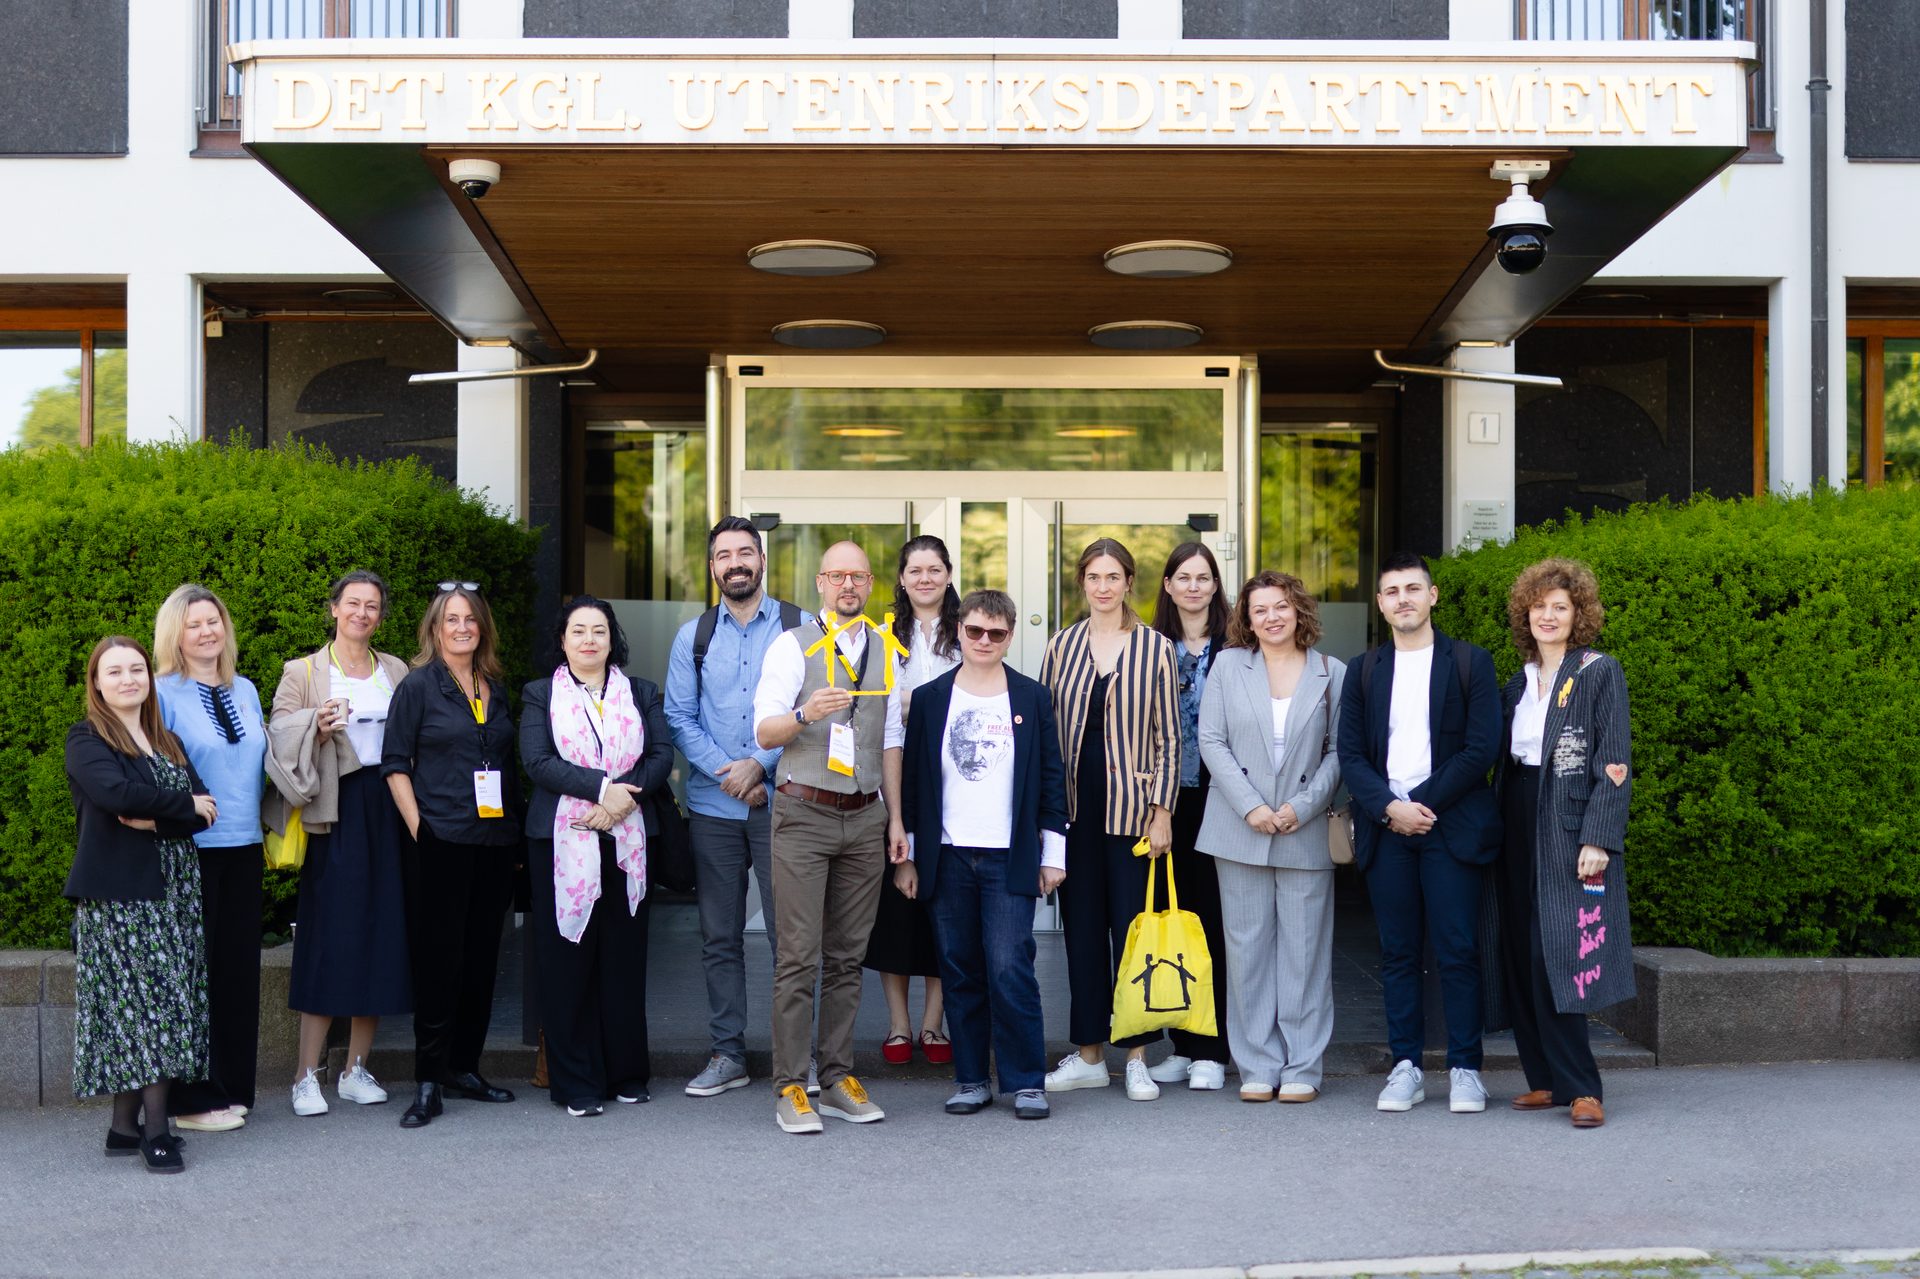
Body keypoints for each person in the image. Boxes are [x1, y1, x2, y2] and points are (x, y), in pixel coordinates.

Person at [1336, 551, 1502, 1115]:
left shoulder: (1471, 662)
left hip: (1450, 827)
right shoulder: (1363, 670)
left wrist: (1419, 803)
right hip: (1388, 831)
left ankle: (1465, 1069)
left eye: (1412, 588)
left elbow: (1482, 747)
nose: (1402, 599)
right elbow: (1351, 754)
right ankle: (1404, 1066)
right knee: (1398, 953)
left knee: (1458, 950)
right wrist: (1390, 809)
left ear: (1432, 596)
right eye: (1392, 591)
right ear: (1381, 604)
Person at [890, 589, 1066, 1119]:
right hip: (946, 855)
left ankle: (1026, 1081)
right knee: (960, 969)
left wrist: (1053, 854)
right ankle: (971, 1079)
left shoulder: (1032, 697)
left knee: (1011, 966)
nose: (984, 641)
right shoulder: (930, 698)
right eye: (974, 631)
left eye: (996, 633)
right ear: (959, 631)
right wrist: (908, 857)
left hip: (1009, 855)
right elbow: (914, 783)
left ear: (1009, 637)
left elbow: (1051, 779)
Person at [753, 541, 905, 1134]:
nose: (848, 585)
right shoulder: (791, 646)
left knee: (848, 958)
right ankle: (792, 1085)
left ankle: (838, 1076)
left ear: (870, 584)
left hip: (865, 816)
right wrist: (806, 713)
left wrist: (895, 819)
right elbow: (764, 732)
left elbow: (889, 739)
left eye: (858, 576)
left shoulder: (886, 648)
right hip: (805, 813)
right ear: (820, 583)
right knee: (798, 956)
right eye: (837, 576)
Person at [64, 636, 218, 1173]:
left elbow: (206, 812)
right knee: (152, 1007)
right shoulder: (86, 738)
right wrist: (180, 808)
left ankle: (122, 1129)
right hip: (123, 895)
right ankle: (156, 1133)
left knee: (162, 1001)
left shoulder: (166, 740)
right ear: (97, 683)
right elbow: (115, 796)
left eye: (136, 669)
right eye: (115, 671)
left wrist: (157, 821)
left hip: (177, 892)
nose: (128, 679)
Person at [1493, 558, 1634, 1129]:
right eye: (1539, 606)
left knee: (1559, 951)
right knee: (1520, 950)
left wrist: (1599, 836)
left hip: (1567, 821)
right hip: (1516, 813)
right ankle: (1546, 1081)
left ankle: (1583, 1088)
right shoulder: (1517, 682)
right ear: (1525, 614)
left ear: (1579, 615)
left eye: (1559, 607)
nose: (1547, 616)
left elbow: (1615, 762)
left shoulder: (1599, 671)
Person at [664, 516, 802, 1099]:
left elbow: (808, 714)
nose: (736, 563)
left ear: (762, 561)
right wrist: (734, 774)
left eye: (746, 552)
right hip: (714, 808)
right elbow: (678, 717)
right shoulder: (692, 637)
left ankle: (796, 1059)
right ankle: (728, 1054)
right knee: (719, 936)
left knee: (790, 940)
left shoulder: (800, 628)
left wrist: (759, 767)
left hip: (783, 804)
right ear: (713, 566)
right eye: (725, 555)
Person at [1039, 539, 1181, 1103]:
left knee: (1133, 937)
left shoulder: (1156, 648)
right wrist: (1046, 819)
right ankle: (1090, 1056)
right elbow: (1046, 733)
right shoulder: (1061, 646)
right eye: (1094, 577)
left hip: (1134, 818)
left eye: (1113, 577)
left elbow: (1171, 738)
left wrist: (1163, 812)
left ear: (1128, 582)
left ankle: (1138, 1057)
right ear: (1083, 582)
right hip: (1074, 817)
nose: (1103, 587)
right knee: (1082, 938)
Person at [1195, 572, 1346, 1103]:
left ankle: (1303, 1066)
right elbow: (1211, 739)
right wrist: (1252, 806)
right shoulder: (1228, 665)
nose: (1271, 617)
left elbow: (1339, 750)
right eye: (1259, 609)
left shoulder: (1332, 671)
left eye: (1280, 606)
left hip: (1304, 829)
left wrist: (1302, 806)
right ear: (1247, 618)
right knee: (1247, 953)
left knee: (1305, 954)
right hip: (1239, 827)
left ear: (1298, 609)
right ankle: (1257, 1065)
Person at [521, 596, 674, 1118]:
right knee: (568, 961)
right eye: (579, 631)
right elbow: (537, 760)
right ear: (562, 641)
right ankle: (576, 1082)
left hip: (628, 840)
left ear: (613, 640)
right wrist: (603, 790)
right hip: (562, 842)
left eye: (599, 631)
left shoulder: (642, 692)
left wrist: (622, 802)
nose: (589, 639)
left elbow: (661, 755)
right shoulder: (540, 694)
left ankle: (626, 1073)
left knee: (623, 960)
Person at [269, 571, 412, 1117]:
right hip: (332, 807)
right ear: (333, 608)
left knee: (382, 932)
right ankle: (305, 1075)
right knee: (328, 933)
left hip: (388, 804)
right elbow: (277, 734)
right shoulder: (303, 671)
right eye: (352, 603)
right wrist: (317, 725)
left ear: (381, 615)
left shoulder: (395, 669)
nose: (361, 613)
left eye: (372, 605)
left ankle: (356, 1069)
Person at [383, 582, 523, 1129]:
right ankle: (427, 1080)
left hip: (494, 842)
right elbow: (395, 764)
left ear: (482, 627)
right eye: (451, 620)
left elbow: (505, 764)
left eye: (470, 619)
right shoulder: (417, 687)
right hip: (441, 840)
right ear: (435, 629)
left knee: (482, 961)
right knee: (439, 962)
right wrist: (422, 830)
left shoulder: (494, 687)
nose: (462, 627)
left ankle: (464, 1067)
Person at [153, 583, 266, 1134]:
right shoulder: (160, 693)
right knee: (192, 976)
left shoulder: (245, 689)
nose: (206, 631)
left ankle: (231, 1089)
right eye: (193, 624)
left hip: (245, 846)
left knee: (237, 975)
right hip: (190, 851)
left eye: (213, 621)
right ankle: (189, 1101)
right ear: (175, 635)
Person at [1141, 541, 1232, 1091]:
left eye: (1203, 577)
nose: (1194, 587)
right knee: (1174, 922)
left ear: (1215, 586)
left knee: (1213, 924)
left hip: (1224, 798)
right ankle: (1183, 1044)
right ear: (1168, 586)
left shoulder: (1237, 645)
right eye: (1184, 577)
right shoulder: (1149, 645)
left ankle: (1213, 1050)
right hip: (1165, 800)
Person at [870, 534, 957, 1068]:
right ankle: (899, 1024)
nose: (925, 578)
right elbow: (876, 710)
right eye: (915, 570)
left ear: (948, 574)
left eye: (934, 569)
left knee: (944, 903)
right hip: (894, 777)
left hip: (956, 781)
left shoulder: (968, 630)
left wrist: (908, 701)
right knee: (896, 911)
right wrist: (921, 702)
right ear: (901, 579)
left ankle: (933, 1023)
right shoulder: (881, 637)